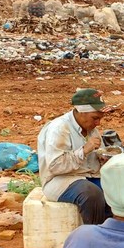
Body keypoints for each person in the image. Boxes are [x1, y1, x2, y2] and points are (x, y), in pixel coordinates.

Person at [37, 88, 113, 225]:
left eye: (100, 119)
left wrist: (102, 158)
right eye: (95, 118)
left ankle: (112, 233)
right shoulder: (60, 128)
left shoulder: (91, 129)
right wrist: (84, 150)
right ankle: (94, 238)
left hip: (88, 177)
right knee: (91, 194)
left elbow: (92, 160)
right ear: (81, 112)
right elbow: (55, 166)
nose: (98, 123)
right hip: (59, 180)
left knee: (116, 190)